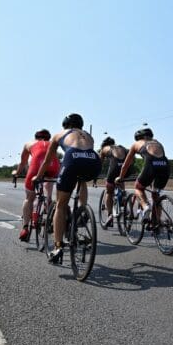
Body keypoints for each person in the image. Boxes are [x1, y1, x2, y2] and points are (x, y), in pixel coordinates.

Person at [34, 113, 102, 263]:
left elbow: (47, 161)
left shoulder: (60, 134)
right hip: (94, 161)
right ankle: (82, 209)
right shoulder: (88, 136)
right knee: (82, 179)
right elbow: (84, 153)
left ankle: (58, 247)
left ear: (65, 124)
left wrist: (38, 177)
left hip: (73, 159)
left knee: (61, 205)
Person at [12, 129, 60, 242]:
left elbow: (23, 163)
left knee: (29, 199)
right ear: (48, 137)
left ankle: (25, 228)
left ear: (35, 137)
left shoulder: (29, 144)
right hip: (53, 166)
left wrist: (17, 173)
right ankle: (48, 202)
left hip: (36, 166)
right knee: (48, 184)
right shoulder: (52, 142)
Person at [115, 128, 170, 227]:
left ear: (140, 138)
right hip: (165, 166)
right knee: (155, 194)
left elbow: (126, 165)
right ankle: (157, 221)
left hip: (150, 165)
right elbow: (159, 160)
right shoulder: (158, 143)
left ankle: (145, 207)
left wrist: (120, 177)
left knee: (138, 187)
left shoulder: (136, 144)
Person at [98, 136, 130, 226]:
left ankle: (110, 215)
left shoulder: (105, 148)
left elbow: (100, 163)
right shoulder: (121, 147)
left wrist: (96, 175)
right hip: (127, 168)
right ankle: (123, 199)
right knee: (120, 179)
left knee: (109, 191)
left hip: (114, 168)